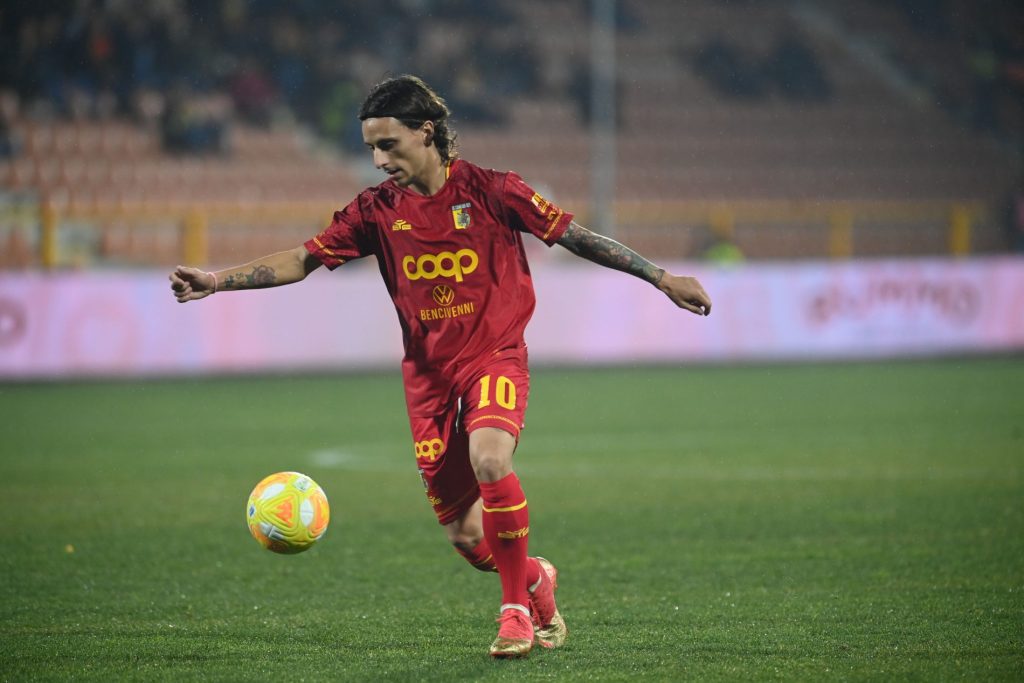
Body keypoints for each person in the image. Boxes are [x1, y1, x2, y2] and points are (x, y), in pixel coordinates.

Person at [169, 75, 711, 659]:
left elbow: (576, 237)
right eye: (371, 149)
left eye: (388, 145)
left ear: (426, 132)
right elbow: (302, 260)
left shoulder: (493, 190)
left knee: (490, 458)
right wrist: (216, 280)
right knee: (469, 538)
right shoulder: (375, 211)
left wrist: (661, 277)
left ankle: (514, 613)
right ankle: (535, 579)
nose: (379, 161)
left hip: (495, 356)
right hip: (428, 380)